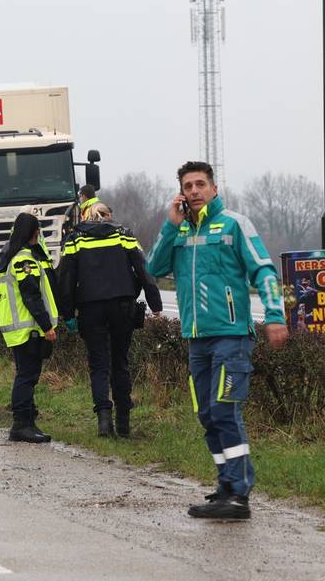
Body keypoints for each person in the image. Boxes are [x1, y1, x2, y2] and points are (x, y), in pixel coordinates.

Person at [146, 161, 288, 520]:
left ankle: (240, 495)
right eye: (188, 186)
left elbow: (265, 270)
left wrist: (274, 317)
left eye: (200, 184)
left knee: (225, 411)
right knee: (208, 415)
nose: (194, 191)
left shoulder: (234, 224)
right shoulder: (178, 230)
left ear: (214, 189)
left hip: (231, 336)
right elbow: (153, 268)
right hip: (196, 339)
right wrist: (169, 224)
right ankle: (226, 484)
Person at [58, 202, 162, 437]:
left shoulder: (76, 239)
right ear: (107, 216)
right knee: (120, 363)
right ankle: (124, 423)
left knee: (98, 365)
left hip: (90, 308)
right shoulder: (123, 234)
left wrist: (67, 314)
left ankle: (104, 421)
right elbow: (143, 269)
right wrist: (155, 304)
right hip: (122, 306)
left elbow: (66, 278)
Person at [0, 212, 59, 443]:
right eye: (37, 231)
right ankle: (21, 424)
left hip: (15, 328)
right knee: (27, 377)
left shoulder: (5, 256)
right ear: (32, 233)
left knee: (26, 375)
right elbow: (31, 296)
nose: (38, 234)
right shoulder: (24, 260)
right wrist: (46, 326)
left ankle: (28, 422)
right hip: (28, 327)